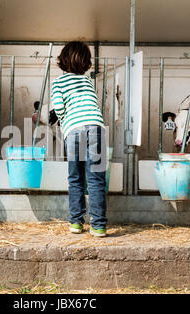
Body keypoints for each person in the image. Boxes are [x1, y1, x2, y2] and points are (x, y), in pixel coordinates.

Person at [50, 41, 108, 237]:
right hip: (97, 129)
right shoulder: (87, 82)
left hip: (74, 130)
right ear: (86, 62)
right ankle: (99, 225)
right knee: (96, 179)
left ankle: (76, 223)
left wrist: (64, 115)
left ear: (63, 59)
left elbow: (58, 107)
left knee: (75, 178)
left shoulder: (58, 82)